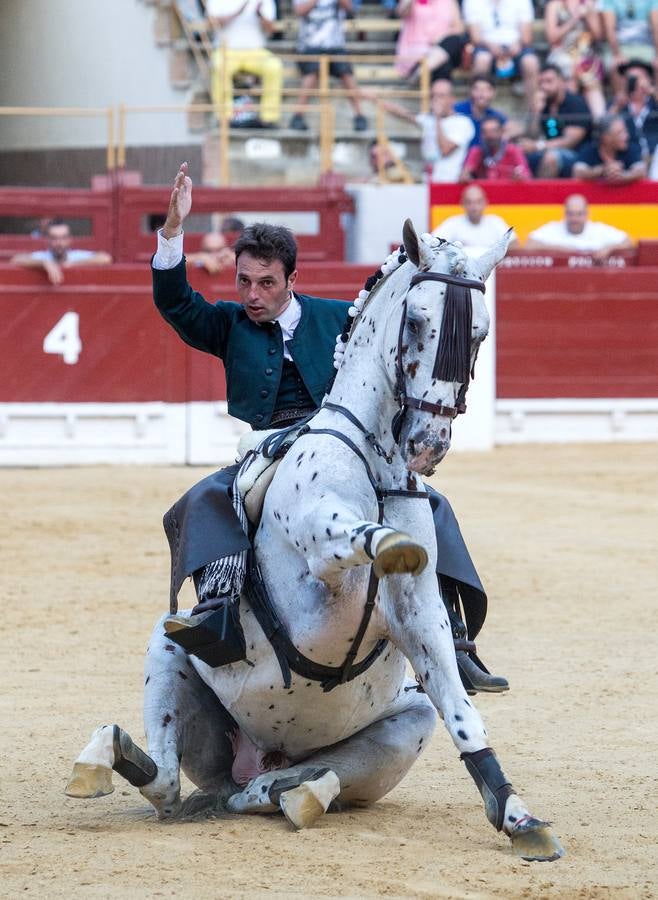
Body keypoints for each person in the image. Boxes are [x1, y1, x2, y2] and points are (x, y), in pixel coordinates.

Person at [151, 162, 508, 694]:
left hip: (347, 444)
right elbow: (175, 301)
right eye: (244, 282)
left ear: (292, 280)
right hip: (271, 445)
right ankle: (218, 611)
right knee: (212, 497)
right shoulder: (225, 324)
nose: (253, 294)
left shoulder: (339, 317)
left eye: (267, 283)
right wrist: (173, 231)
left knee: (428, 502)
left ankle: (454, 638)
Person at [289, 0, 368, 132]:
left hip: (335, 46)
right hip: (309, 45)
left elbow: (351, 9)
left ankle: (359, 115)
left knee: (347, 74)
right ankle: (298, 115)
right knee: (311, 73)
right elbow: (298, 11)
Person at [379, 78, 475, 181]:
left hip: (449, 182)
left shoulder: (462, 122)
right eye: (433, 96)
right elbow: (405, 114)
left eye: (441, 96)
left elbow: (445, 149)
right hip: (429, 181)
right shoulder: (428, 119)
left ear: (452, 99)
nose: (436, 100)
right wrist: (377, 101)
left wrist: (437, 118)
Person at [206, 0, 283, 127]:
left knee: (275, 66)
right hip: (226, 51)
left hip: (256, 51)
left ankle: (269, 118)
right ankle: (224, 118)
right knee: (219, 65)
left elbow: (271, 30)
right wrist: (239, 11)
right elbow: (212, 23)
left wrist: (260, 15)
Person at [515, 63, 591, 177]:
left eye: (549, 81)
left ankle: (537, 194)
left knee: (551, 158)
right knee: (517, 153)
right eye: (541, 82)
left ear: (561, 82)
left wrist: (537, 146)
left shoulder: (576, 103)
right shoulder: (543, 104)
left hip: (578, 156)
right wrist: (535, 112)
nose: (544, 86)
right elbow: (531, 135)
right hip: (548, 149)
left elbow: (569, 142)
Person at [462, 0, 540, 107]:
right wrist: (490, 46)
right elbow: (475, 38)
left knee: (531, 62)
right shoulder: (472, 2)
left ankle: (534, 115)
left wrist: (517, 45)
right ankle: (475, 113)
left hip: (517, 47)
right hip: (485, 47)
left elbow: (526, 38)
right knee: (482, 59)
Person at [544, 0, 606, 119]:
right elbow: (552, 37)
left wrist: (589, 15)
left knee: (591, 84)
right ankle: (571, 123)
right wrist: (574, 19)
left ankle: (600, 123)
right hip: (561, 54)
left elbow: (599, 36)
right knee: (569, 78)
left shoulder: (590, 4)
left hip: (586, 56)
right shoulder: (554, 5)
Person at [525, 193, 634, 260]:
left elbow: (628, 241)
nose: (574, 219)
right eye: (571, 214)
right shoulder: (554, 228)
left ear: (586, 215)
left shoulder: (598, 230)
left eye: (579, 214)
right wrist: (563, 250)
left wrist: (609, 249)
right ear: (565, 214)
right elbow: (530, 244)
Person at [11, 219, 111, 285]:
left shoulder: (76, 256)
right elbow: (16, 259)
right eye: (54, 238)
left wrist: (73, 264)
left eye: (63, 238)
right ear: (48, 240)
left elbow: (105, 258)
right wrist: (44, 263)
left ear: (69, 239)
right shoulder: (43, 257)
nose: (59, 243)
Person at [394, 0, 468, 84]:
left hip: (442, 46)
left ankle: (420, 72)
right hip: (418, 50)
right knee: (443, 64)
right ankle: (422, 72)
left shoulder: (449, 1)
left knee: (453, 42)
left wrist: (441, 38)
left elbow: (459, 28)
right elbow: (401, 13)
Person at [600, 0, 658, 99]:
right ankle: (622, 106)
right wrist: (617, 54)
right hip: (620, 47)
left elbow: (656, 28)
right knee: (614, 66)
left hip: (646, 46)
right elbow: (610, 29)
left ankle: (653, 105)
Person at [432, 183, 518, 248]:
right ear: (463, 204)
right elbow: (433, 241)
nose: (474, 207)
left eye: (478, 202)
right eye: (469, 202)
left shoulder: (495, 222)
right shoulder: (453, 223)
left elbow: (514, 243)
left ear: (485, 203)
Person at [572, 113, 647, 182]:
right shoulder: (590, 149)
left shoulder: (630, 149)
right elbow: (577, 171)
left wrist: (623, 175)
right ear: (606, 138)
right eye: (620, 133)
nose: (626, 136)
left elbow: (641, 170)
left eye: (625, 131)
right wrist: (602, 170)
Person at [612, 60, 658, 162]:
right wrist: (617, 106)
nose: (635, 81)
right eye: (629, 78)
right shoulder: (618, 103)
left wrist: (652, 91)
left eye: (639, 77)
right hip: (628, 158)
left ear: (649, 79)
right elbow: (604, 129)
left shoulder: (654, 101)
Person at [460, 115, 531, 180]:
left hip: (509, 190)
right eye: (485, 132)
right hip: (485, 190)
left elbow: (526, 175)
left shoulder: (513, 150)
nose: (489, 135)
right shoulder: (477, 151)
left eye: (494, 131)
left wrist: (519, 176)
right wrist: (466, 176)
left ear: (501, 132)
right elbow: (465, 173)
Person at [454, 75, 508, 148]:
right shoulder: (456, 110)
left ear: (494, 93)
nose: (481, 94)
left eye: (486, 90)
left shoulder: (496, 116)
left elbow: (511, 128)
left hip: (482, 157)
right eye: (477, 89)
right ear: (470, 91)